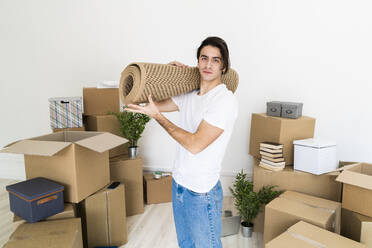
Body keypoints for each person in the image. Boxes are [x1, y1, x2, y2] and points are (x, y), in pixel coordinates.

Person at [126, 36, 238, 248]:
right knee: (186, 245)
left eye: (215, 60)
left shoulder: (224, 101)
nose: (208, 64)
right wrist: (165, 75)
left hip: (201, 191)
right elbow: (149, 101)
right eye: (204, 58)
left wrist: (158, 117)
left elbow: (195, 144)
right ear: (197, 62)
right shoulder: (189, 94)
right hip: (180, 184)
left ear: (223, 66)